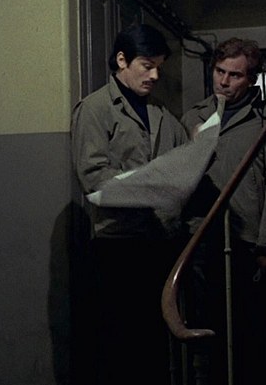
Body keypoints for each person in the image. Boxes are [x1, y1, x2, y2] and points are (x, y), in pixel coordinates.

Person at [180, 37, 266, 385]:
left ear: (251, 79)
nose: (223, 81)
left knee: (255, 330)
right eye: (220, 71)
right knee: (210, 327)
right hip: (201, 236)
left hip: (247, 240)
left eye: (234, 75)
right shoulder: (193, 117)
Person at [70, 23, 189, 385]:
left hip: (159, 240)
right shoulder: (95, 109)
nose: (154, 76)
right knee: (120, 344)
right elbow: (93, 177)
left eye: (158, 67)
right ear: (122, 60)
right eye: (146, 66)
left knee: (154, 344)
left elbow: (180, 162)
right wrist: (148, 185)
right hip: (118, 244)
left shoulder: (160, 113)